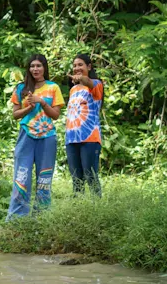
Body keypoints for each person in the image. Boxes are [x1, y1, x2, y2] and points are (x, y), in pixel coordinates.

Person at [7, 53, 63, 219]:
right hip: (26, 136)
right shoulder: (21, 88)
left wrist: (42, 101)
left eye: (38, 66)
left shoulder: (53, 87)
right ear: (28, 69)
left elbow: (56, 115)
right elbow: (15, 115)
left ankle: (41, 219)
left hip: (47, 137)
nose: (35, 69)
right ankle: (17, 218)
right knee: (21, 176)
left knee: (44, 179)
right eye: (32, 66)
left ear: (44, 68)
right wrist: (29, 109)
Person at [64, 53, 104, 196]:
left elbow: (89, 82)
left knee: (91, 177)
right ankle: (78, 212)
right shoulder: (73, 90)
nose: (76, 68)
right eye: (74, 65)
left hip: (90, 138)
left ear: (89, 66)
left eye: (80, 65)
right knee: (77, 181)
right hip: (71, 138)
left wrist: (83, 79)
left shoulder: (96, 84)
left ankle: (97, 211)